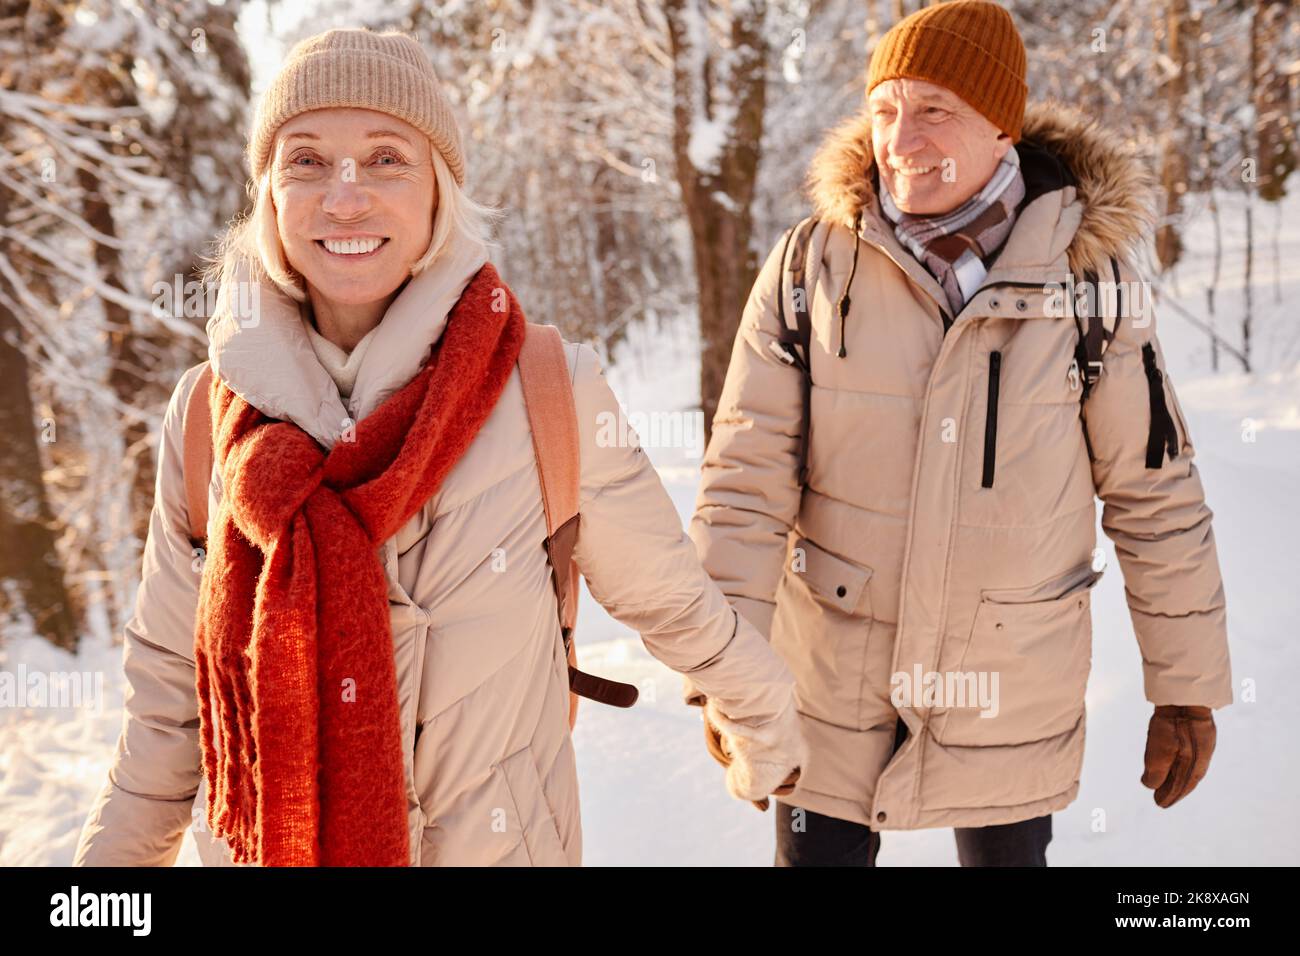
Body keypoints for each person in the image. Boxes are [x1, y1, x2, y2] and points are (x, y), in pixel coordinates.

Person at [73, 27, 805, 867]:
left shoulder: (544, 387)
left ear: (439, 194)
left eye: (387, 159)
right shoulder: (206, 418)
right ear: (268, 195)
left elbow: (671, 599)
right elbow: (171, 700)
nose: (345, 198)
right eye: (306, 161)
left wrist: (764, 714)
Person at [686, 0, 1231, 867]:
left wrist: (1187, 689)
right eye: (885, 110)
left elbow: (1153, 491)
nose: (901, 142)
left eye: (935, 110)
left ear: (1000, 127)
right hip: (828, 684)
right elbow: (744, 482)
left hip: (1011, 682)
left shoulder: (1088, 284)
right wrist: (725, 667)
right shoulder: (810, 267)